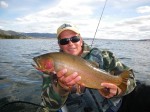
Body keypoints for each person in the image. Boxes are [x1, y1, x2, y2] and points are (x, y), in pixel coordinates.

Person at [40, 23, 136, 112]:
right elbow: (49, 105)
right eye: (64, 41)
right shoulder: (51, 70)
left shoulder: (104, 56)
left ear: (81, 40)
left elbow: (130, 77)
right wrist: (62, 88)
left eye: (75, 39)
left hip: (112, 108)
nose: (70, 43)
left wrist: (119, 90)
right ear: (60, 45)